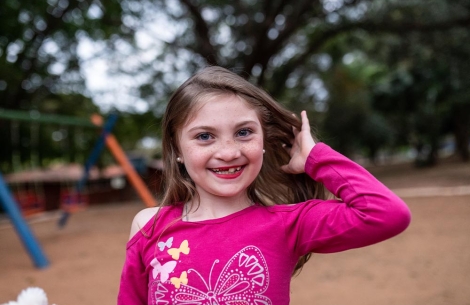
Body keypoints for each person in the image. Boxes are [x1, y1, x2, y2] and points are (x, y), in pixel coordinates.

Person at [118, 66, 411, 305]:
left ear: (263, 141)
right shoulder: (150, 226)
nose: (229, 151)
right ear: (176, 148)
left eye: (244, 132)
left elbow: (387, 214)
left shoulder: (290, 224)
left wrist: (315, 157)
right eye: (205, 136)